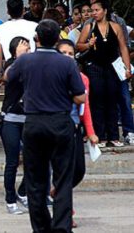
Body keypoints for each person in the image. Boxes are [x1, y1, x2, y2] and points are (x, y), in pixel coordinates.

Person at [5, 20, 86, 233]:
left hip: (33, 122)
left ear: (36, 38)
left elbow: (7, 78)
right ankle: (61, 227)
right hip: (60, 121)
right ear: (57, 40)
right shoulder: (67, 63)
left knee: (35, 179)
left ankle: (41, 227)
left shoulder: (25, 61)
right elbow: (80, 97)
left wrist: (20, 57)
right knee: (62, 178)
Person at [56, 39, 99, 228]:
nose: (67, 57)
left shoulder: (83, 79)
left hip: (74, 128)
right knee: (62, 173)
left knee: (78, 170)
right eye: (63, 53)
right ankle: (66, 214)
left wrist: (90, 132)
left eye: (70, 54)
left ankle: (58, 191)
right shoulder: (53, 77)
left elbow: (85, 106)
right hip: (57, 128)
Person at [77, 0, 131, 147]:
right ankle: (99, 136)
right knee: (97, 100)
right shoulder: (89, 26)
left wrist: (127, 68)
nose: (94, 13)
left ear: (105, 11)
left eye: (96, 10)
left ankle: (113, 136)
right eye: (92, 10)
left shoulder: (116, 26)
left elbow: (124, 48)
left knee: (112, 99)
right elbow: (78, 45)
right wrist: (89, 44)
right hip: (94, 67)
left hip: (112, 66)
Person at [0, 37, 31, 215]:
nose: (26, 46)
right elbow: (7, 76)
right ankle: (10, 199)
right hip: (11, 118)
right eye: (21, 44)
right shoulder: (11, 64)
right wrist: (20, 59)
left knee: (32, 159)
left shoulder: (33, 63)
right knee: (12, 161)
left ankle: (23, 192)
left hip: (28, 118)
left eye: (27, 44)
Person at [0, 0, 38, 73]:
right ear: (23, 10)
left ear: (7, 11)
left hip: (10, 68)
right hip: (32, 68)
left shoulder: (0, 29)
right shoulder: (35, 26)